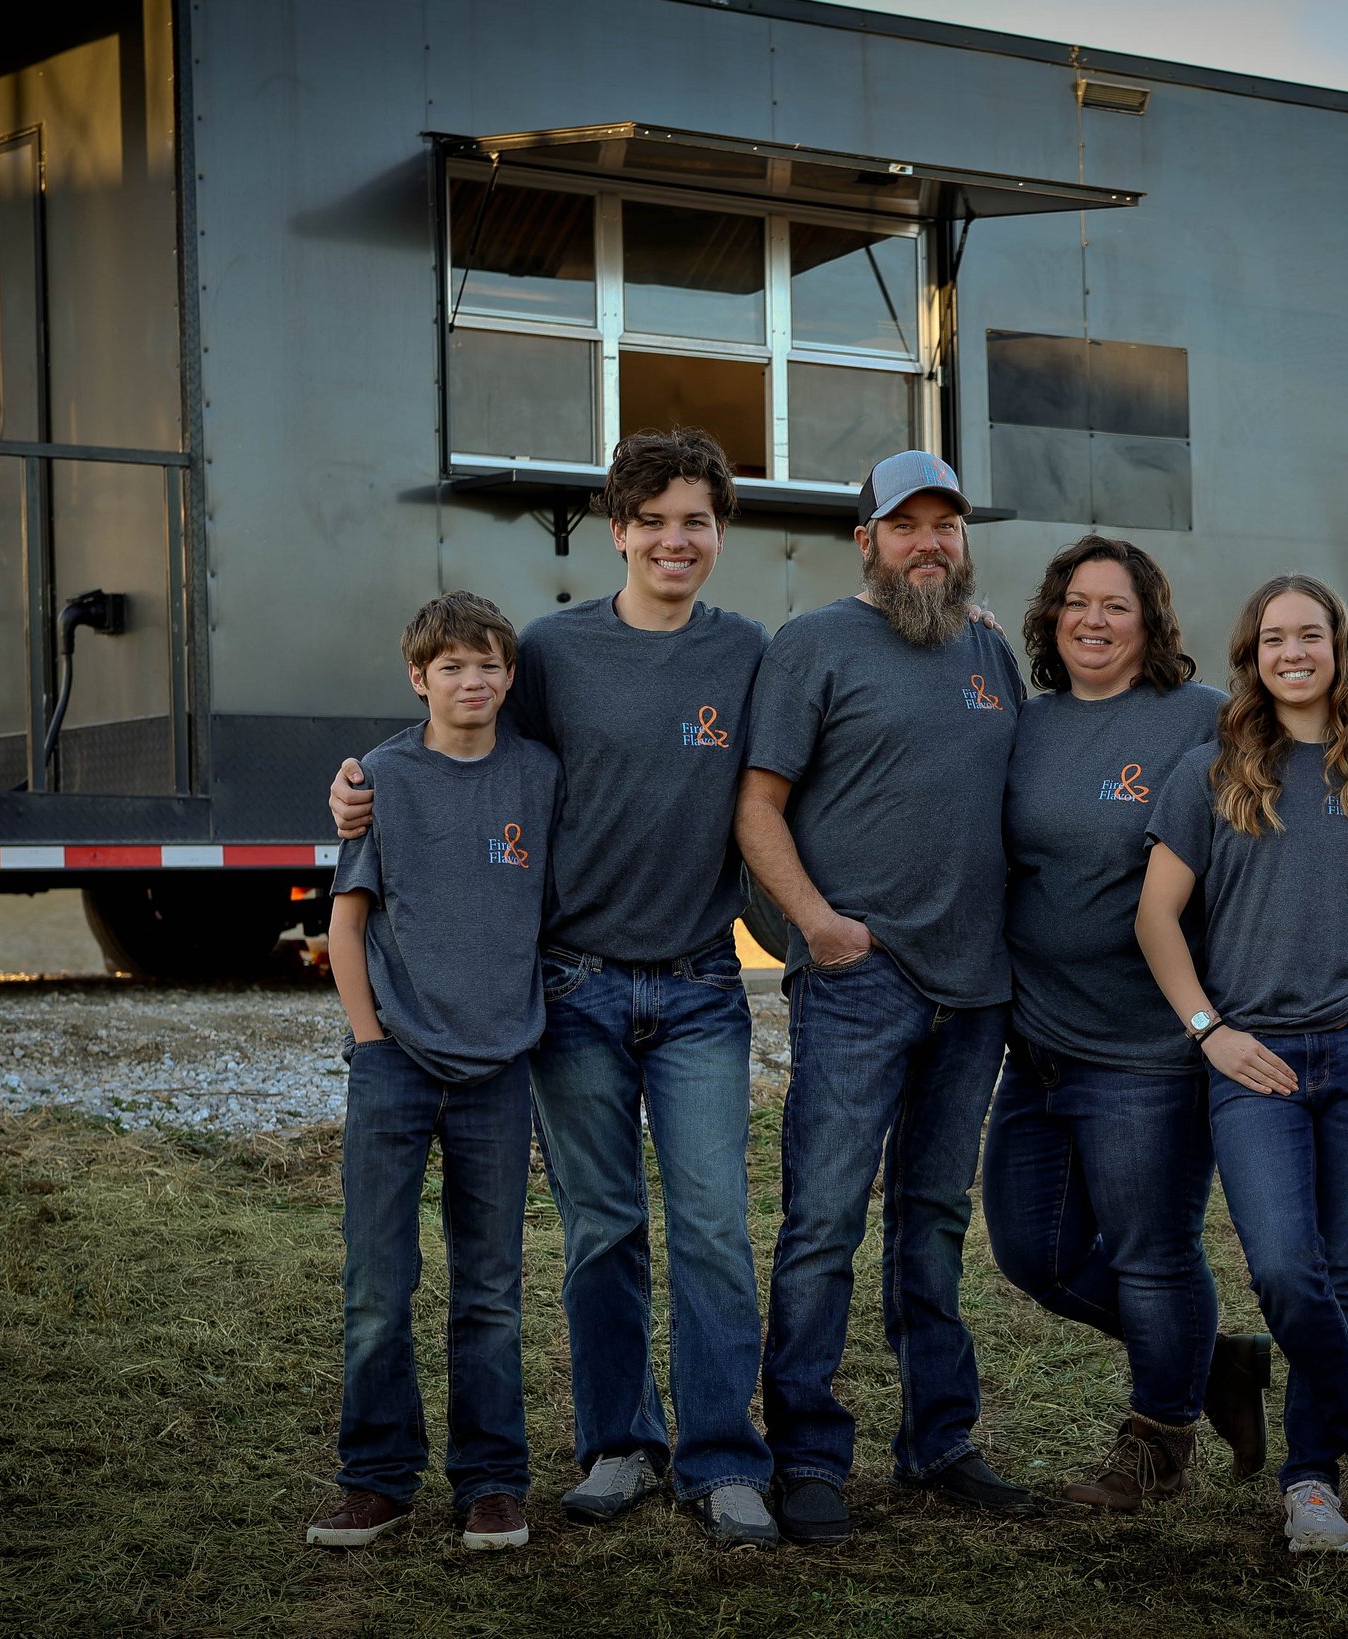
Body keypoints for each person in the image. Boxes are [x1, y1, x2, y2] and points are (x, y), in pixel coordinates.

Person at [326, 429, 780, 1549]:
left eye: (697, 521)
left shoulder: (753, 655)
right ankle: (621, 1442)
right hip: (571, 990)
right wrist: (357, 784)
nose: (676, 539)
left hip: (701, 986)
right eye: (655, 519)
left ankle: (723, 1458)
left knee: (715, 1227)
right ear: (618, 530)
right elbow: (456, 737)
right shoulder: (552, 652)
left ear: (720, 534)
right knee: (601, 1228)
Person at [734, 450, 1034, 1545]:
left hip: (976, 989)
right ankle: (806, 1453)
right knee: (821, 1222)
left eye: (944, 525)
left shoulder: (990, 650)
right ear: (863, 538)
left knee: (934, 1218)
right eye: (903, 524)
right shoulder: (812, 645)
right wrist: (815, 925)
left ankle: (937, 1439)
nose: (926, 542)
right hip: (861, 982)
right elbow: (756, 805)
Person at [1134, 572, 1348, 1555]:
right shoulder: (1209, 773)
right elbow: (1154, 917)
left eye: (1308, 635)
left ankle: (1311, 1483)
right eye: (1273, 637)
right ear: (1252, 655)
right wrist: (1208, 1030)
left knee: (1338, 1274)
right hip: (1248, 1063)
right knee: (1281, 1265)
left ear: (1336, 649)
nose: (1291, 652)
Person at [979, 535, 1274, 1510]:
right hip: (1040, 1047)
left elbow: (1282, 828)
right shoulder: (1029, 723)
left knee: (1151, 1253)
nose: (1092, 620)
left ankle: (1157, 1437)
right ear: (1049, 617)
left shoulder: (1200, 722)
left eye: (1116, 605)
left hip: (1149, 1050)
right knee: (1033, 1251)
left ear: (1150, 623)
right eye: (1075, 602)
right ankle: (1216, 1363)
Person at [308, 591, 559, 1554]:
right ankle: (375, 1479)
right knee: (379, 1281)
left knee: (489, 1286)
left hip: (499, 1067)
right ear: (420, 677)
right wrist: (372, 1041)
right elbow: (348, 921)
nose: (474, 681)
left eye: (490, 665)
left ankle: (491, 1482)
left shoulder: (538, 775)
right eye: (453, 666)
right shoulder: (381, 776)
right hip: (396, 1067)